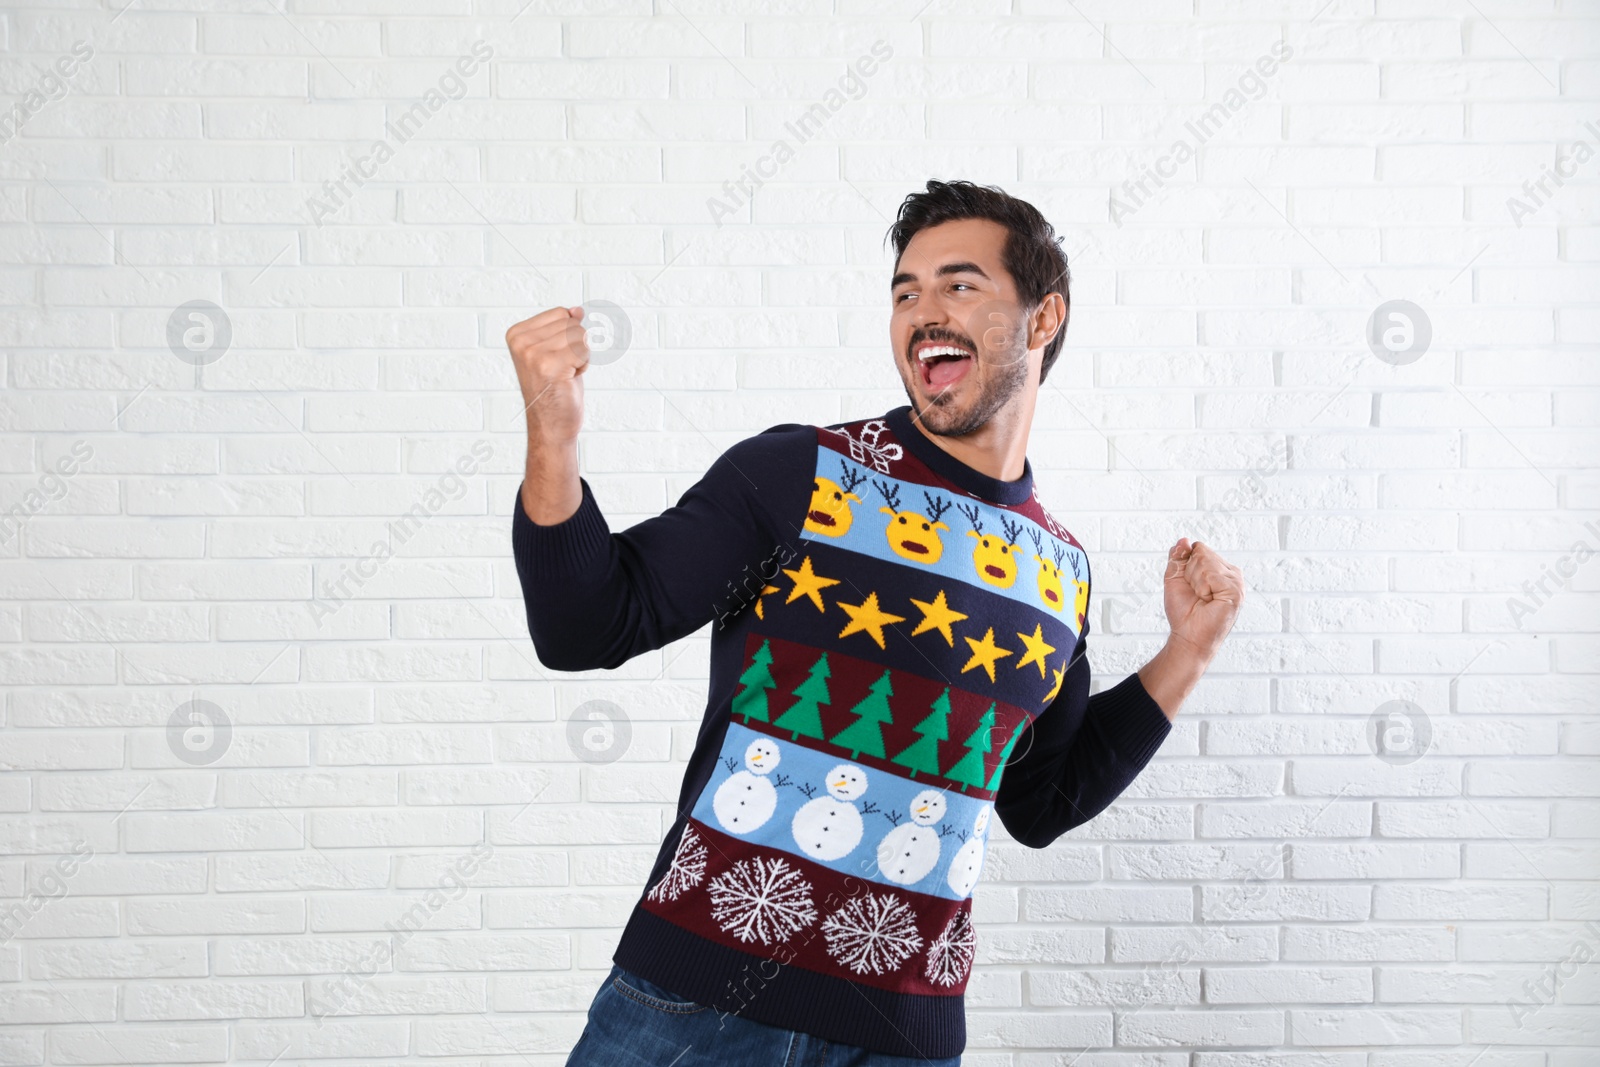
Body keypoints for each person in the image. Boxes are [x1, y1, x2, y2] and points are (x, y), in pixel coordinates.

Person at [506, 179, 1245, 1066]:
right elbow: (586, 625)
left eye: (960, 285)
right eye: (906, 291)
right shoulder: (805, 475)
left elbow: (1042, 802)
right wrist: (553, 433)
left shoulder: (1059, 571)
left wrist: (1189, 648)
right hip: (694, 1012)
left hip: (905, 1036)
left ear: (1043, 318)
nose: (924, 312)